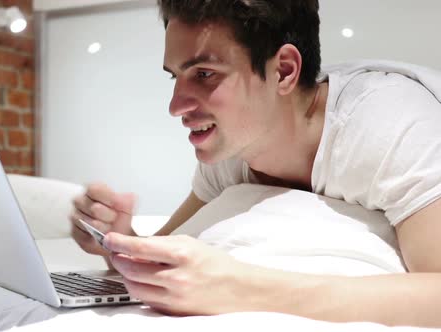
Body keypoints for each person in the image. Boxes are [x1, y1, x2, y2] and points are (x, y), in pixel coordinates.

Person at [69, 0, 441, 327]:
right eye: (175, 76)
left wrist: (241, 289)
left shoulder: (389, 125)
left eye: (204, 74)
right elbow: (169, 256)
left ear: (283, 71)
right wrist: (120, 242)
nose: (175, 106)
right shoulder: (230, 152)